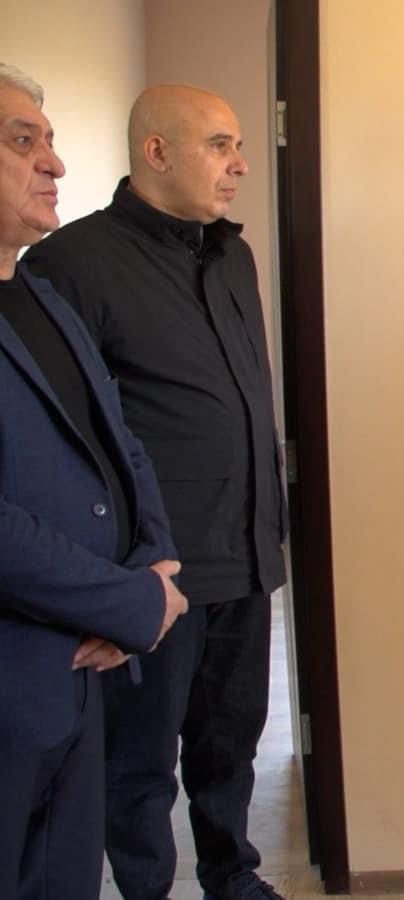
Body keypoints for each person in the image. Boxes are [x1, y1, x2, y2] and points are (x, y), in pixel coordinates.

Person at [26, 84, 287, 900]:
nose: (239, 165)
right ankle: (147, 891)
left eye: (239, 145)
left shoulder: (233, 256)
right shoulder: (71, 265)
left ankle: (233, 878)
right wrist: (112, 582)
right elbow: (67, 440)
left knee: (231, 745)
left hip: (245, 553)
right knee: (138, 765)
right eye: (219, 145)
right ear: (157, 152)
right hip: (158, 571)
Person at [0, 63, 188, 898]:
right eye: (22, 142)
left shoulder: (43, 297)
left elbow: (123, 445)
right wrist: (129, 604)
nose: (56, 163)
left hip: (81, 683)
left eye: (48, 140)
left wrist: (150, 566)